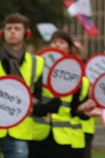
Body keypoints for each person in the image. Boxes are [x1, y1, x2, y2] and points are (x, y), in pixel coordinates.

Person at [0, 13, 45, 158]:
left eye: (17, 28)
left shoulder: (37, 63)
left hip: (19, 131)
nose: (12, 31)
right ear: (2, 33)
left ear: (26, 33)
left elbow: (37, 96)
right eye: (9, 28)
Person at [29, 30, 97, 158]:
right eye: (54, 42)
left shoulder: (80, 79)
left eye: (61, 42)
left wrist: (82, 110)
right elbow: (31, 100)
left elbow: (76, 110)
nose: (57, 45)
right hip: (40, 136)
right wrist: (43, 107)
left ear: (70, 49)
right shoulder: (38, 73)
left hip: (67, 138)